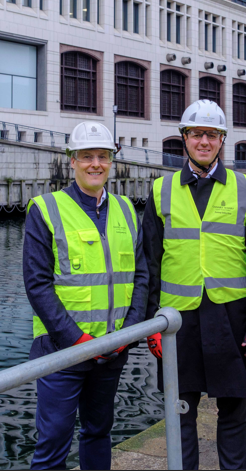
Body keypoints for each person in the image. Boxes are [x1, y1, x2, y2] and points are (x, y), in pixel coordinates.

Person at [142, 99, 246, 470]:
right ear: (185, 138)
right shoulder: (161, 190)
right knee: (180, 409)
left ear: (222, 139)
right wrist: (150, 324)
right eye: (197, 134)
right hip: (178, 321)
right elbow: (149, 263)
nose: (204, 141)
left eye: (212, 134)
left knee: (234, 409)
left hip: (234, 317)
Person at [23, 121, 149, 470]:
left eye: (103, 156)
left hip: (112, 350)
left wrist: (128, 334)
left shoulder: (126, 209)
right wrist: (77, 341)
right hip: (61, 352)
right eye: (87, 156)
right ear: (73, 161)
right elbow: (37, 284)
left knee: (98, 432)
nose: (96, 164)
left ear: (112, 161)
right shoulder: (45, 209)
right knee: (52, 443)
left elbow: (141, 276)